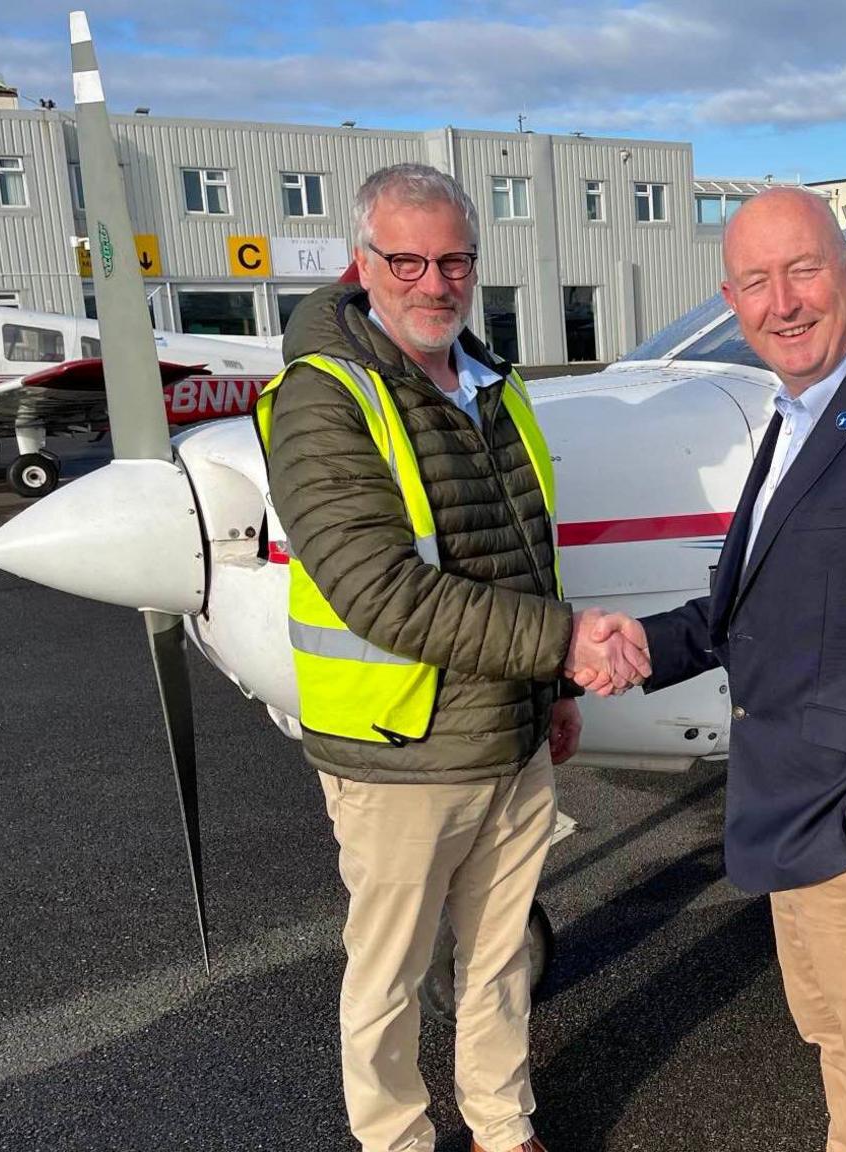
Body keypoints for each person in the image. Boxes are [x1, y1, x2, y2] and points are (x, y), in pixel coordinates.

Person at [574, 187, 846, 1150]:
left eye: (804, 270)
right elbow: (748, 608)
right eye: (757, 283)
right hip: (794, 812)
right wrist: (642, 649)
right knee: (841, 1048)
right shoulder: (800, 411)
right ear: (733, 296)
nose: (783, 302)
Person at [255, 162, 645, 1152]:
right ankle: (393, 1140)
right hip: (398, 752)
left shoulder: (491, 382)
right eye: (408, 260)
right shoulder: (321, 399)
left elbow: (524, 547)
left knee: (500, 958)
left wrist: (552, 684)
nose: (434, 282)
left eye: (454, 260)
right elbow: (377, 589)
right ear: (363, 262)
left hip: (507, 733)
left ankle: (502, 1129)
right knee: (385, 976)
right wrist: (562, 642)